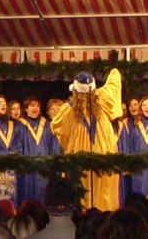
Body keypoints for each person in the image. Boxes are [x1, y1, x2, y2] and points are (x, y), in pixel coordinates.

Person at [49, 60, 124, 211]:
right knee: (103, 193)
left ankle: (81, 218)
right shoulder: (103, 99)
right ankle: (104, 216)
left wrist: (69, 146)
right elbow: (113, 84)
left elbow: (58, 129)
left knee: (81, 193)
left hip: (79, 157)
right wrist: (114, 69)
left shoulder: (68, 109)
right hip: (104, 156)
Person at [0, 96, 25, 207]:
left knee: (9, 196)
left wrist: (13, 156)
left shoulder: (12, 125)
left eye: (5, 103)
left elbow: (17, 144)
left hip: (10, 166)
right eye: (0, 103)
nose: (3, 105)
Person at [18, 97, 60, 205]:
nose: (35, 108)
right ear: (26, 109)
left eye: (37, 106)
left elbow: (52, 146)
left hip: (43, 167)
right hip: (27, 168)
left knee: (42, 194)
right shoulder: (19, 125)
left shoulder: (46, 124)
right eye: (32, 106)